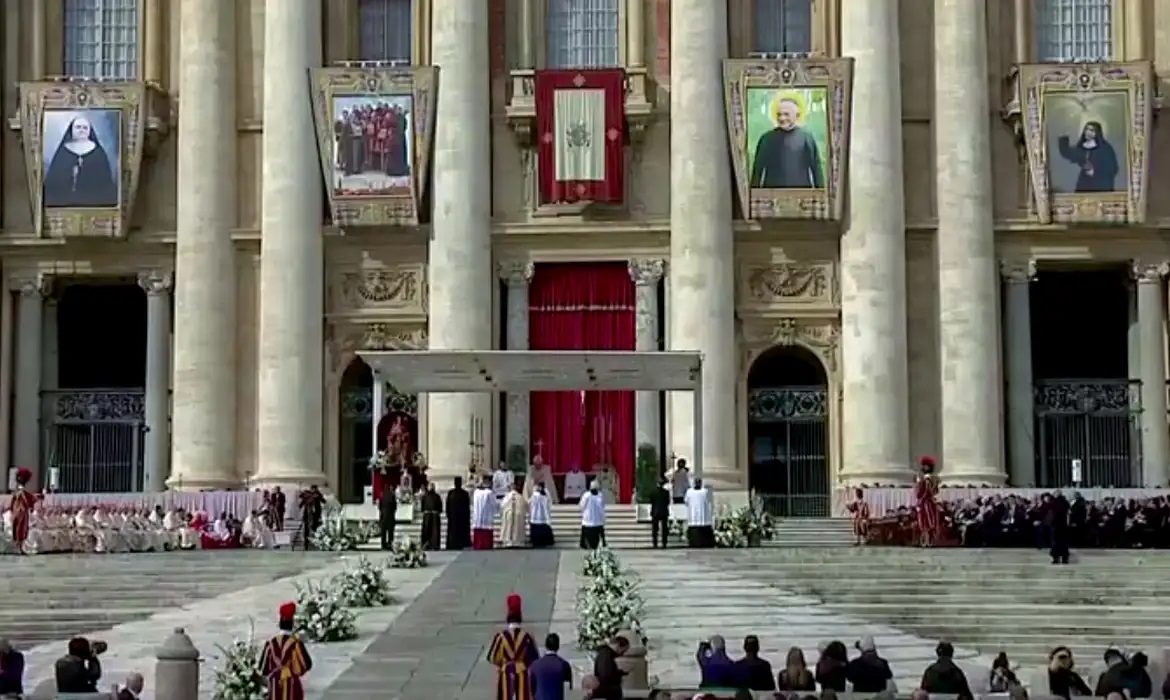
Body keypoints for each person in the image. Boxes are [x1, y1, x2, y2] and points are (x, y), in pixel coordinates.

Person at [43, 114, 120, 208]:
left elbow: (104, 179)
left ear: (89, 130)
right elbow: (55, 178)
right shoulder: (64, 150)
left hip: (93, 200)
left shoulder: (97, 151)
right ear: (71, 129)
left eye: (85, 128)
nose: (81, 130)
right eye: (78, 127)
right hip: (66, 200)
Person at [749, 95, 824, 189]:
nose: (782, 118)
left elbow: (816, 170)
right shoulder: (766, 139)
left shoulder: (806, 138)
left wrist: (822, 195)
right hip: (772, 196)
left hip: (801, 196)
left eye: (786, 114)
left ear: (797, 115)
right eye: (779, 114)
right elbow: (757, 172)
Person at [487, 594, 539, 700]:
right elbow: (534, 658)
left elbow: (492, 657)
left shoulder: (500, 637)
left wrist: (503, 663)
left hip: (506, 672)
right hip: (522, 673)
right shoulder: (526, 637)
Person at [260, 602, 311, 700]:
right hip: (292, 686)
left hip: (274, 686)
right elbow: (307, 664)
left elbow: (263, 669)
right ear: (292, 623)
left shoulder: (270, 644)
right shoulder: (296, 643)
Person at [1057, 120, 1120, 193]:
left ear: (1097, 132)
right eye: (1086, 129)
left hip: (1101, 186)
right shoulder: (1083, 146)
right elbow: (1069, 153)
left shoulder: (1105, 149)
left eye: (1092, 130)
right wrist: (1063, 138)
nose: (1088, 132)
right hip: (1085, 184)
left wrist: (1093, 171)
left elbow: (1113, 169)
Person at [529, 632, 573, 700]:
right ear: (558, 646)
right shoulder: (564, 665)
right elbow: (568, 688)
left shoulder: (534, 665)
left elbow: (530, 689)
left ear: (546, 646)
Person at [8, 467, 38, 554]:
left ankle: (19, 547)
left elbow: (14, 501)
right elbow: (27, 498)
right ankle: (19, 547)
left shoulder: (18, 491)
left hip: (17, 511)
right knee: (20, 529)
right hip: (21, 511)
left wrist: (12, 508)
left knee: (19, 529)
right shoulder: (21, 491)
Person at [592, 635, 629, 700]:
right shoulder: (605, 655)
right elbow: (605, 676)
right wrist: (619, 674)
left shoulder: (606, 654)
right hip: (608, 694)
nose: (623, 654)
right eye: (623, 651)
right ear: (618, 646)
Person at [914, 456, 940, 547]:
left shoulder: (926, 480)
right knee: (929, 521)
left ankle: (927, 541)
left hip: (926, 503)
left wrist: (920, 500)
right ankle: (927, 541)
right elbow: (935, 491)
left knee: (926, 522)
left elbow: (924, 492)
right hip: (930, 502)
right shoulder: (933, 479)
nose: (922, 468)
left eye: (924, 466)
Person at [684, 478, 715, 548]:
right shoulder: (704, 491)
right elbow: (709, 500)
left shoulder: (690, 492)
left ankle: (695, 542)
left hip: (694, 515)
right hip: (703, 516)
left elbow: (686, 501)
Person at [445, 476, 471, 550]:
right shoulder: (452, 493)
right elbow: (447, 505)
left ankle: (458, 544)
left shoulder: (463, 493)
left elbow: (467, 506)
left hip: (459, 518)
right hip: (454, 518)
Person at [472, 476, 498, 550]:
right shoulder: (489, 492)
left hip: (477, 516)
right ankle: (486, 544)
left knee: (478, 528)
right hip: (486, 515)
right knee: (486, 530)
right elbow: (494, 504)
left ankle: (477, 544)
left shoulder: (476, 492)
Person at [500, 483, 529, 548]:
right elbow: (526, 506)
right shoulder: (520, 496)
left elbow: (502, 506)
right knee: (517, 528)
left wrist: (503, 513)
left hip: (509, 514)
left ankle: (508, 542)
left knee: (509, 527)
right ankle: (518, 542)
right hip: (518, 515)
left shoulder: (507, 497)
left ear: (510, 489)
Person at [579, 481, 607, 549]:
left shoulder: (597, 495)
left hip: (593, 518)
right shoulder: (588, 495)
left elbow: (582, 505)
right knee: (598, 530)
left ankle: (601, 542)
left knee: (598, 530)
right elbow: (603, 505)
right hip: (593, 518)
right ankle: (584, 544)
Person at [529, 482, 555, 548]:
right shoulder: (535, 494)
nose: (537, 488)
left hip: (540, 514)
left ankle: (540, 541)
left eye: (537, 486)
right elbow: (530, 502)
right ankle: (540, 541)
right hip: (537, 514)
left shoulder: (544, 493)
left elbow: (548, 502)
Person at [298, 485, 324, 550]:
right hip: (307, 515)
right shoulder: (307, 495)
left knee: (315, 528)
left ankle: (316, 542)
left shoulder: (318, 495)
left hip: (315, 515)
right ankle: (306, 544)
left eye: (315, 489)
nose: (313, 491)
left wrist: (318, 495)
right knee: (306, 529)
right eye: (312, 489)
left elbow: (323, 501)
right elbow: (302, 499)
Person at [1049, 490, 1071, 565]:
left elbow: (1053, 514)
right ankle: (1065, 558)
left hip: (1057, 525)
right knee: (1064, 542)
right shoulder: (1065, 502)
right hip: (1064, 525)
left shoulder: (1055, 502)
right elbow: (1068, 513)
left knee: (1056, 542)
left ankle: (1056, 558)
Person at [418, 481, 442, 550]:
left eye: (432, 486)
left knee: (434, 532)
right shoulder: (426, 496)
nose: (431, 488)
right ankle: (427, 544)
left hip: (432, 515)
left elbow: (439, 507)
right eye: (430, 486)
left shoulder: (435, 496)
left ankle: (434, 545)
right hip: (428, 515)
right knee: (428, 531)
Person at [649, 476, 671, 548]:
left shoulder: (653, 492)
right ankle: (664, 543)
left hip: (655, 512)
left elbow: (651, 501)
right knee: (664, 528)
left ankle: (655, 543)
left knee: (655, 529)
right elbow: (668, 502)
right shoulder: (666, 492)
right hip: (664, 511)